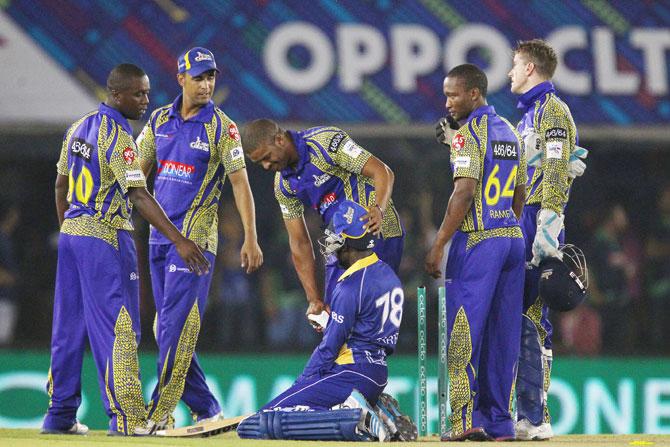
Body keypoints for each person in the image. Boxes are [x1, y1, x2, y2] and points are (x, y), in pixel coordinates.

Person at [42, 64, 210, 436]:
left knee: (67, 327)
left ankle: (59, 415)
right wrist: (179, 239)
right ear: (116, 95)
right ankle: (128, 418)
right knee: (119, 327)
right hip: (106, 236)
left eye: (148, 93)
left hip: (72, 233)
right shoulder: (118, 135)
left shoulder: (78, 127)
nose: (146, 101)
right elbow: (137, 194)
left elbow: (59, 185)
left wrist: (71, 228)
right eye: (139, 94)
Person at [136, 47, 263, 431]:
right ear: (180, 79)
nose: (206, 84)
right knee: (166, 330)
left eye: (211, 77)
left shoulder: (224, 128)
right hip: (159, 241)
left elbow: (241, 184)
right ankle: (207, 408)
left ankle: (159, 414)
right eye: (199, 77)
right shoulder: (158, 120)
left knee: (175, 329)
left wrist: (250, 237)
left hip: (195, 245)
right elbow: (135, 177)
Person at [238, 200, 416, 442]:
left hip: (350, 371)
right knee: (301, 414)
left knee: (257, 423)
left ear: (351, 242)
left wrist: (302, 382)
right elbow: (366, 327)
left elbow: (329, 347)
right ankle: (375, 411)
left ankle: (357, 420)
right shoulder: (387, 275)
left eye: (336, 238)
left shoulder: (350, 285)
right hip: (376, 372)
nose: (331, 246)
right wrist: (331, 322)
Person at [426, 63, 527, 441]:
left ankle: (463, 422)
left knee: (463, 332)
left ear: (474, 93)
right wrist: (507, 226)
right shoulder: (510, 132)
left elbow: (464, 193)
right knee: (504, 336)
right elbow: (519, 191)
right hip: (511, 239)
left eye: (453, 94)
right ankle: (500, 424)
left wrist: (439, 245)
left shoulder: (470, 134)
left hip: (479, 241)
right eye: (445, 94)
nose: (447, 102)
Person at [241, 119, 403, 323]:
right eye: (259, 163)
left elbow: (383, 172)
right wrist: (313, 299)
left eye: (267, 157)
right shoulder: (283, 186)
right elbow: (299, 242)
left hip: (377, 227)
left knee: (367, 316)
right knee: (335, 315)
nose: (266, 166)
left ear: (280, 139)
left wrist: (379, 209)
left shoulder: (326, 143)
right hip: (339, 240)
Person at [508, 39, 587, 440]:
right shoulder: (527, 116)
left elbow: (556, 169)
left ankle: (537, 417)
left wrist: (548, 224)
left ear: (529, 70)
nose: (509, 73)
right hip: (521, 217)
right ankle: (523, 412)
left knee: (535, 318)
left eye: (514, 66)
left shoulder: (554, 112)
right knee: (518, 316)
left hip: (538, 218)